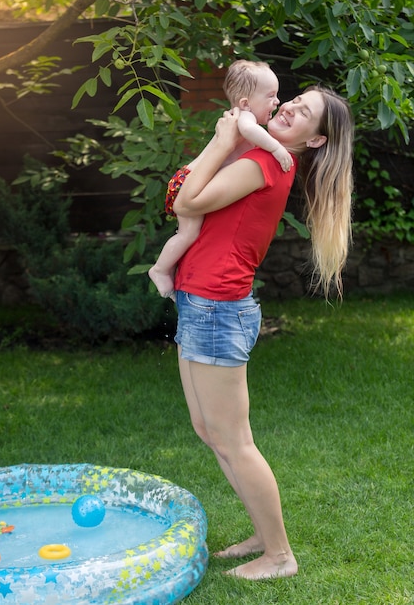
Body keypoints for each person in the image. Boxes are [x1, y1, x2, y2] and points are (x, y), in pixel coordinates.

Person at [171, 85, 354, 580]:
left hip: (217, 306)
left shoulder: (266, 165)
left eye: (305, 113)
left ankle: (279, 556)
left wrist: (219, 139)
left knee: (234, 440)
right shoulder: (257, 154)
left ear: (314, 141)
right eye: (295, 99)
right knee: (209, 430)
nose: (290, 106)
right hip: (200, 299)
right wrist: (228, 139)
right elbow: (183, 195)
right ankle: (260, 532)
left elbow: (188, 199)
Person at [149, 60, 293, 299]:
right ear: (246, 102)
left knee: (189, 235)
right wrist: (277, 149)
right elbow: (250, 132)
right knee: (187, 235)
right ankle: (160, 270)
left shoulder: (242, 119)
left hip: (191, 180)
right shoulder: (243, 118)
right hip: (188, 183)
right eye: (271, 96)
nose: (277, 102)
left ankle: (171, 273)